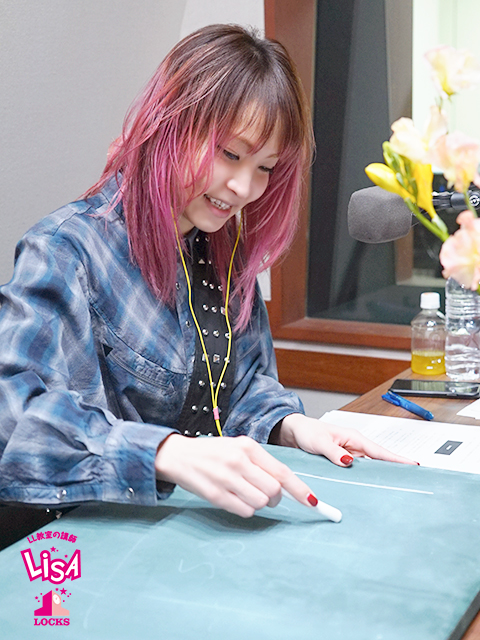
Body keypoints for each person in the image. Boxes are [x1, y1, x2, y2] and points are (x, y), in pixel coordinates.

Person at [0, 24, 413, 519]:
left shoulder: (219, 249)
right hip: (76, 539)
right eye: (230, 154)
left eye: (265, 167)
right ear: (170, 124)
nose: (243, 187)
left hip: (182, 528)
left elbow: (239, 388)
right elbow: (11, 416)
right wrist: (165, 452)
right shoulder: (68, 249)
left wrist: (291, 426)